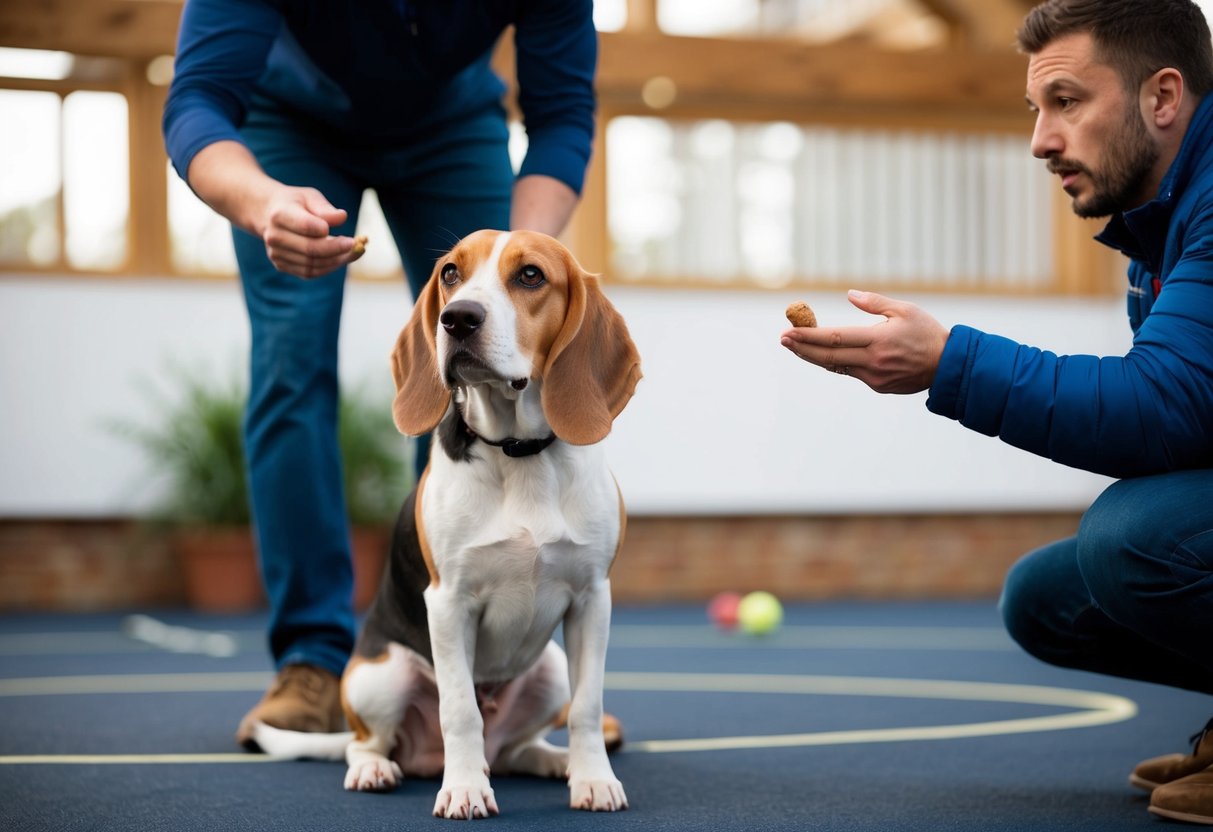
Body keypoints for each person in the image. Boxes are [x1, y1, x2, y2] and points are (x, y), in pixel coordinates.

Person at [780, 0, 1213, 824]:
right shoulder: (1157, 224)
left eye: (1066, 102)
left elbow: (1165, 409)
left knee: (1133, 541)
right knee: (1049, 597)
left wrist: (950, 363)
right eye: (1035, 109)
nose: (1040, 140)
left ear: (1162, 98)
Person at [161, 0, 597, 746]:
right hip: (287, 121)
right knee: (290, 366)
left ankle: (506, 673)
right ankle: (311, 659)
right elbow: (198, 97)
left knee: (489, 362)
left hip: (452, 126)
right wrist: (263, 203)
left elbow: (561, 114)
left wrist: (520, 257)